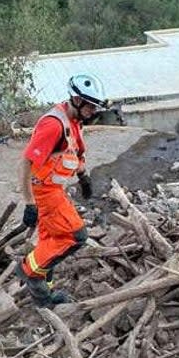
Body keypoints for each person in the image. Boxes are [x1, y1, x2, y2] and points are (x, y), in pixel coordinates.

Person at [16, 74, 106, 307]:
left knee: (51, 240)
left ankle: (43, 297)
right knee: (76, 236)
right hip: (44, 192)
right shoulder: (53, 125)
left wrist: (83, 177)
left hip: (53, 188)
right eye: (90, 106)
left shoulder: (74, 123)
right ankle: (29, 270)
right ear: (77, 99)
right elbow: (26, 163)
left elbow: (74, 153)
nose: (93, 111)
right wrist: (29, 203)